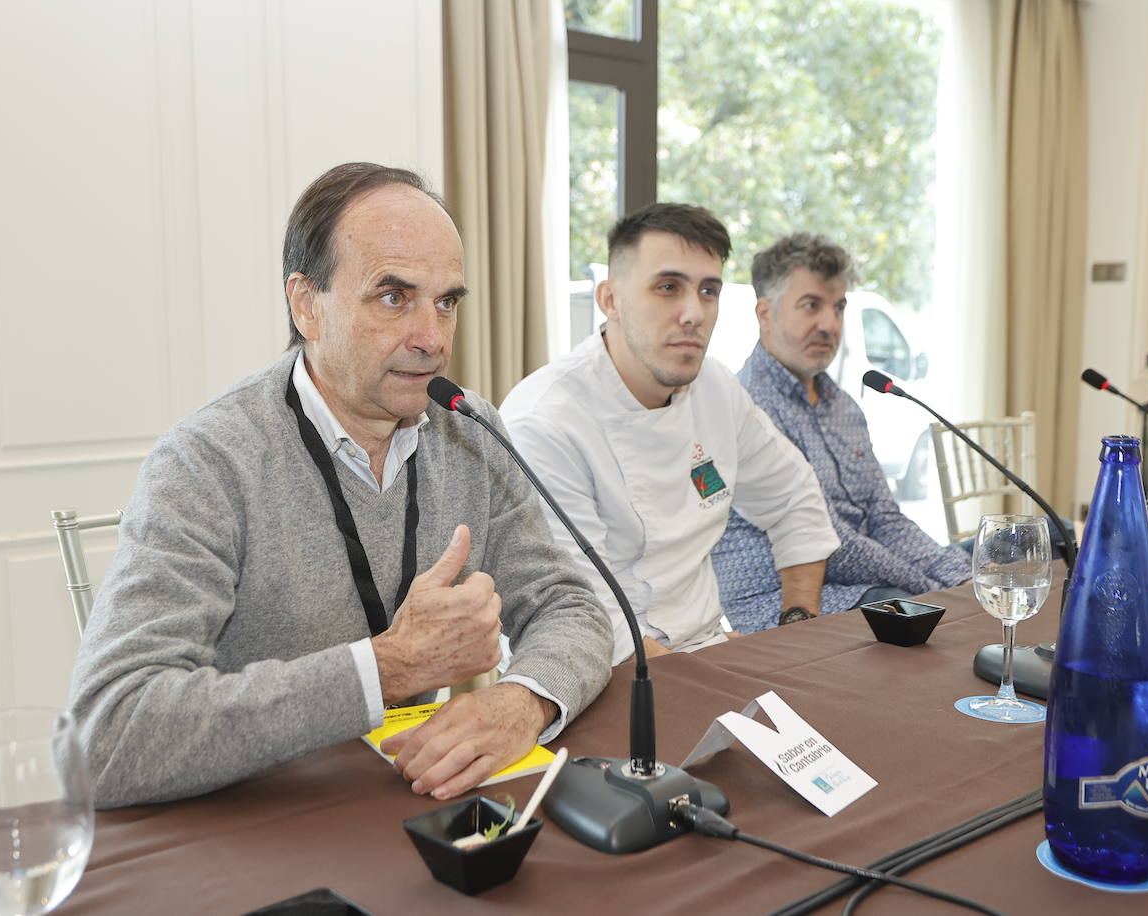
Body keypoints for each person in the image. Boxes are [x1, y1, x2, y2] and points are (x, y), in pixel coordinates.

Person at [69, 163, 613, 808]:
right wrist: (389, 667)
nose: (432, 338)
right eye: (393, 296)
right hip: (251, 817)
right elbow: (105, 738)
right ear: (306, 306)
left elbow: (569, 606)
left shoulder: (469, 431)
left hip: (405, 797)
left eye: (446, 302)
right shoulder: (207, 460)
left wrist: (523, 702)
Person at [500, 204, 838, 664]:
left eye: (708, 291)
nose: (693, 313)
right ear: (610, 299)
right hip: (589, 675)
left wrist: (796, 625)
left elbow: (795, 497)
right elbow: (585, 613)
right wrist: (705, 679)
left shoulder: (716, 388)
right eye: (668, 287)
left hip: (703, 655)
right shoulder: (543, 423)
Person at [710, 233, 970, 632]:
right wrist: (932, 589)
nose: (830, 325)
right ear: (765, 314)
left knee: (1003, 560)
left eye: (839, 307)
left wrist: (958, 575)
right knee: (915, 609)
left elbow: (885, 517)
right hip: (788, 604)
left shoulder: (844, 407)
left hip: (867, 583)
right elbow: (832, 543)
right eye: (811, 306)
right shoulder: (747, 406)